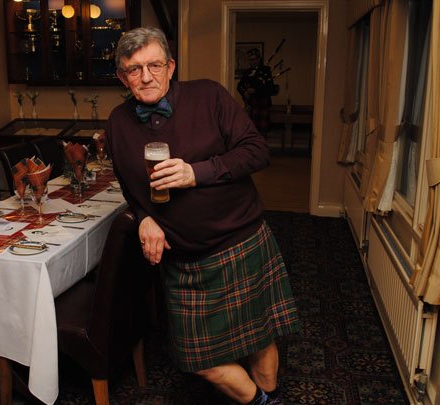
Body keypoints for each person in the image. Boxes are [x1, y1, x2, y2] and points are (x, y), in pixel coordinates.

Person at [106, 27, 300, 405]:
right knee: (198, 359)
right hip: (182, 260)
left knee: (259, 339)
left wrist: (197, 173)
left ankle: (269, 397)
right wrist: (144, 217)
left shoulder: (209, 96)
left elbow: (257, 151)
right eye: (134, 69)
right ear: (121, 77)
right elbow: (129, 184)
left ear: (171, 66)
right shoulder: (117, 122)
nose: (146, 77)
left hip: (239, 242)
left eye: (155, 65)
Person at [236, 48, 277, 136]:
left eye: (255, 59)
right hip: (251, 104)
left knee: (262, 132)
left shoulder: (266, 70)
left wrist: (255, 90)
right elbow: (239, 86)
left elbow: (270, 88)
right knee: (249, 131)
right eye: (251, 59)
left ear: (259, 59)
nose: (253, 61)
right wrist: (245, 92)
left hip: (262, 104)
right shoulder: (247, 72)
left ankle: (261, 148)